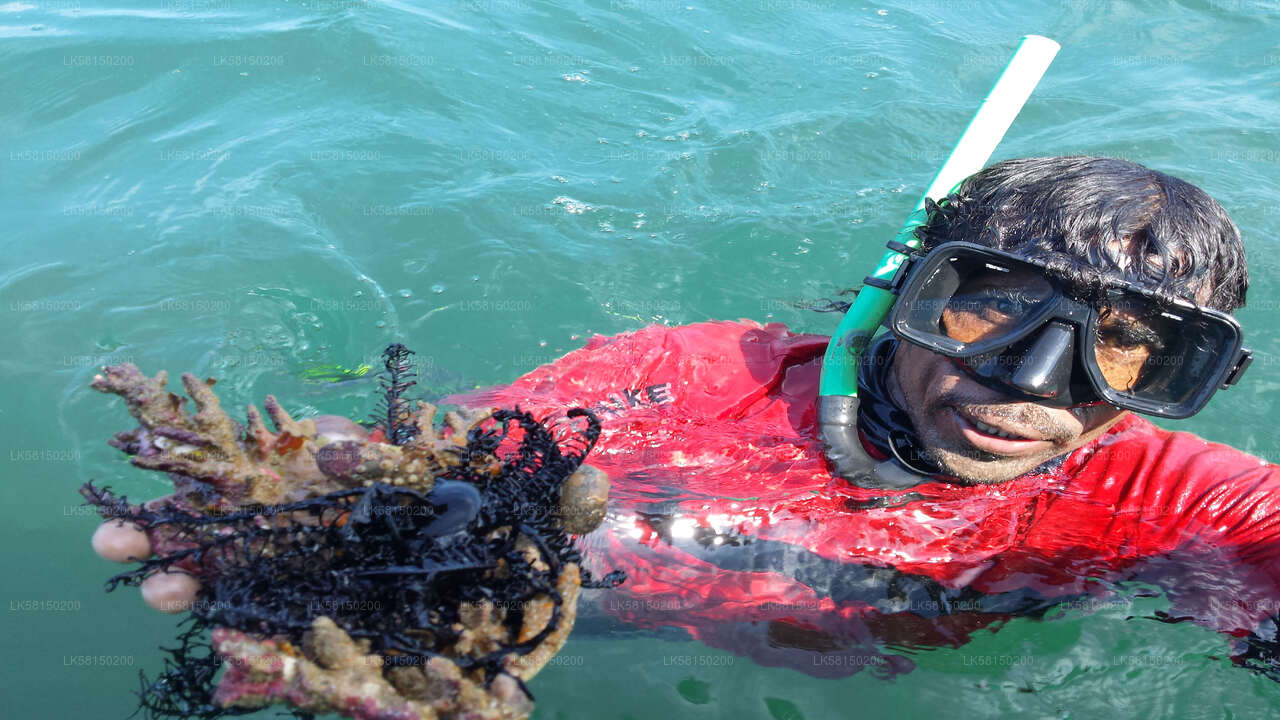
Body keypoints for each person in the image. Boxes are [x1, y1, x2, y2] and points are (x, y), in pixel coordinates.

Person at [91, 155, 1280, 679]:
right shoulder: (676, 381)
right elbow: (428, 464)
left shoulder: (1159, 497)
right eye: (991, 314)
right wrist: (321, 513)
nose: (1032, 384)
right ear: (910, 294)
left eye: (1125, 351)